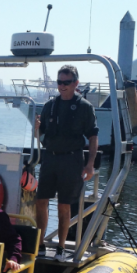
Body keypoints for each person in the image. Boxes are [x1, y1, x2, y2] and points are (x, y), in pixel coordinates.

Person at [34, 65, 98, 258]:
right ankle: (40, 244)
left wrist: (90, 164)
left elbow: (93, 137)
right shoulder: (49, 106)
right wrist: (36, 129)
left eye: (66, 82)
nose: (62, 86)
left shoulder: (84, 107)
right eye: (59, 82)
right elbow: (39, 134)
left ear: (75, 83)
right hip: (50, 158)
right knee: (41, 201)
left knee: (64, 205)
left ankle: (61, 247)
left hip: (72, 160)